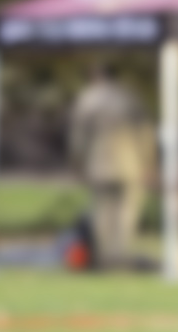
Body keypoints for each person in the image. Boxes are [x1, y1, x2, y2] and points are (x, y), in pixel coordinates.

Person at [66, 69, 156, 271]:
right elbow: (144, 132)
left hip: (98, 164)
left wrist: (77, 162)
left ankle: (106, 259)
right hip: (129, 163)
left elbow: (78, 137)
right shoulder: (129, 98)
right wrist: (148, 161)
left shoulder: (88, 100)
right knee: (126, 213)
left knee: (102, 213)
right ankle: (120, 257)